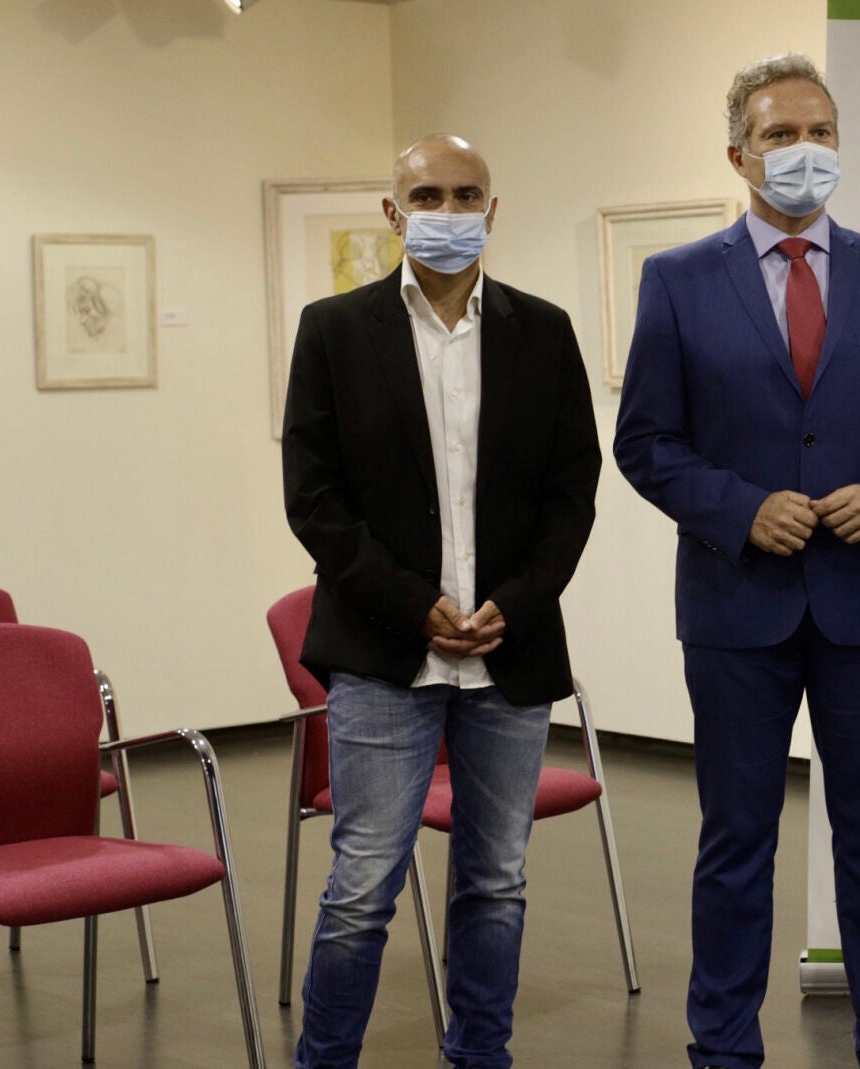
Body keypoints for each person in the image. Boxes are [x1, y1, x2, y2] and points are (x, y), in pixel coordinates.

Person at [612, 52, 860, 1069]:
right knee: (736, 841)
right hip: (737, 605)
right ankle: (724, 1047)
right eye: (780, 134)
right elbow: (645, 442)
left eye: (819, 132)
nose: (803, 150)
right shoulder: (677, 280)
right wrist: (739, 509)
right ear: (739, 154)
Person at [281, 133, 600, 1069]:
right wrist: (413, 604)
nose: (449, 212)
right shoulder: (334, 329)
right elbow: (314, 498)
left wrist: (519, 600)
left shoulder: (544, 331)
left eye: (467, 196)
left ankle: (480, 1055)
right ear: (393, 212)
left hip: (510, 651)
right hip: (383, 652)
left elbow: (572, 493)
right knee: (362, 888)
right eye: (428, 196)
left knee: (496, 883)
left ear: (492, 212)